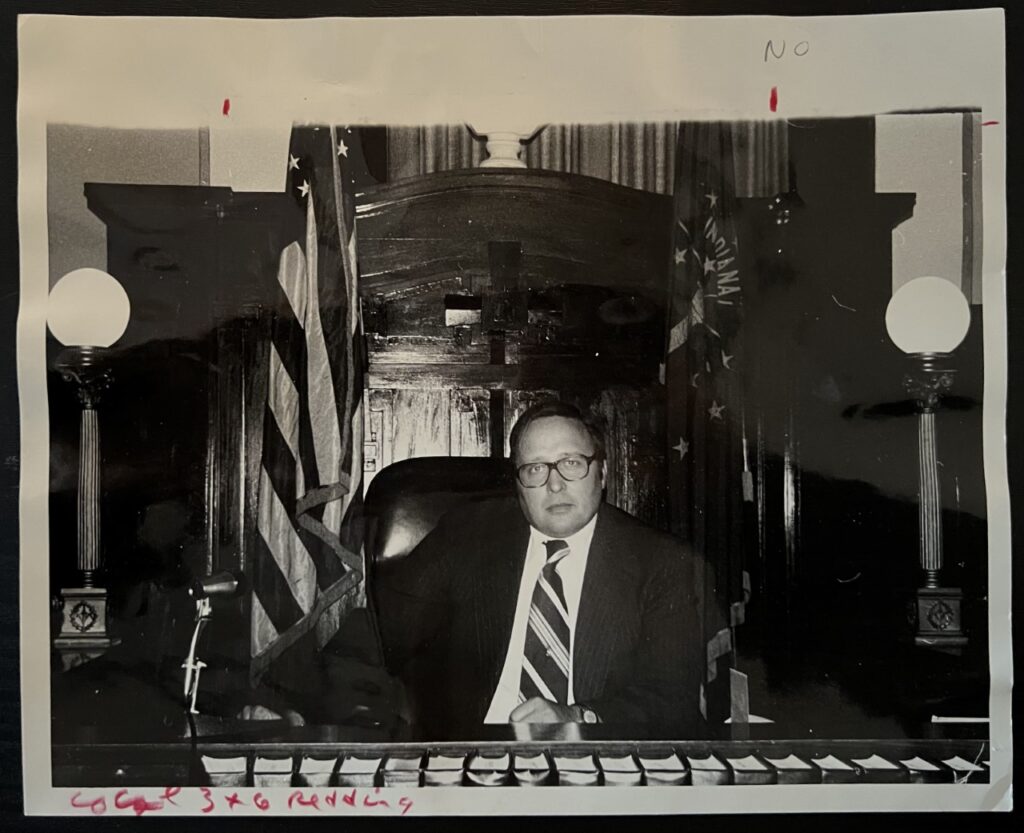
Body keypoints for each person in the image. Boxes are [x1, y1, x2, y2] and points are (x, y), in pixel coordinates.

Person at [372, 400, 704, 737]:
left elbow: (672, 700)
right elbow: (380, 634)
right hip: (473, 758)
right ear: (517, 486)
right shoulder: (467, 534)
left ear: (602, 473)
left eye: (571, 463)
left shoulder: (661, 562)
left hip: (596, 760)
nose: (554, 484)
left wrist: (579, 717)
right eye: (535, 468)